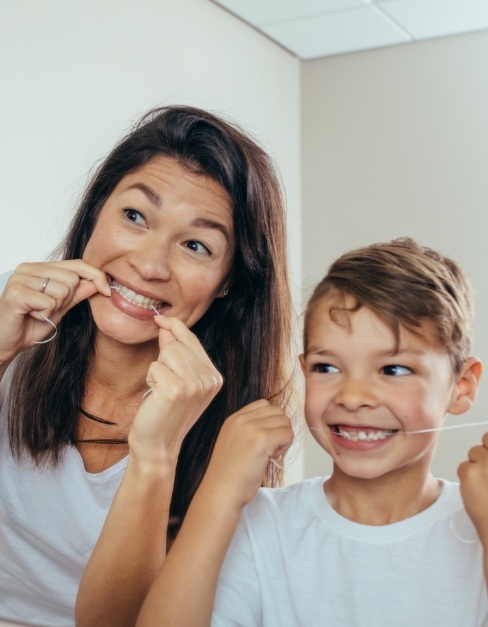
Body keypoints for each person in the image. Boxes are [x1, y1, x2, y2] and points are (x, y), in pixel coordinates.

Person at [0, 105, 296, 627]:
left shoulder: (234, 429)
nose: (150, 265)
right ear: (96, 211)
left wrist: (156, 455)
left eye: (196, 245)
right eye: (135, 217)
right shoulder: (9, 308)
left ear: (228, 281)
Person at [136, 237, 488, 627]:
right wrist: (218, 493)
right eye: (327, 368)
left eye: (394, 370)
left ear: (463, 386)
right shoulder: (260, 526)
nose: (352, 397)